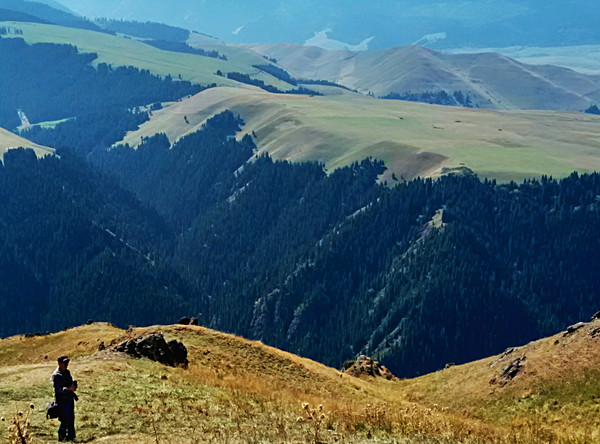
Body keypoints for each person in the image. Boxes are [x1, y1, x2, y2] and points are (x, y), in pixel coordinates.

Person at [52, 355, 78, 441]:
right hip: (62, 400)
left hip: (69, 398)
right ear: (59, 363)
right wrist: (68, 388)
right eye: (64, 363)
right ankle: (71, 437)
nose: (66, 364)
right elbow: (58, 389)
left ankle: (62, 436)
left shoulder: (67, 372)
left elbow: (69, 383)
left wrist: (73, 386)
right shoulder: (57, 375)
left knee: (67, 418)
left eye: (67, 362)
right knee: (68, 418)